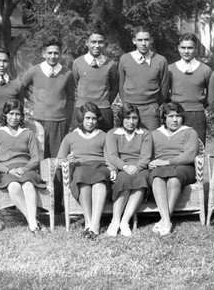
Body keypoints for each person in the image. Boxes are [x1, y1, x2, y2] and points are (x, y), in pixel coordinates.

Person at [21, 38, 75, 214]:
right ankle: (38, 200)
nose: (53, 56)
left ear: (60, 54)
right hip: (39, 122)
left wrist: (66, 117)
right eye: (49, 53)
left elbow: (71, 98)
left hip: (59, 121)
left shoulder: (66, 73)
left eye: (56, 53)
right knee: (40, 159)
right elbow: (21, 89)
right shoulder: (34, 71)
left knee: (58, 160)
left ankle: (57, 202)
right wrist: (35, 100)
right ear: (43, 54)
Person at [0, 99, 47, 235]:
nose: (14, 118)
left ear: (22, 116)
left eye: (18, 114)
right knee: (14, 186)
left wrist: (26, 168)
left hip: (26, 169)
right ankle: (34, 222)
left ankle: (32, 224)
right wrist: (8, 170)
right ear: (5, 115)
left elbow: (35, 157)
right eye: (11, 114)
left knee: (28, 186)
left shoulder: (28, 133)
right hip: (7, 171)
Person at [57, 102, 110, 238]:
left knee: (99, 180)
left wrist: (113, 169)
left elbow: (109, 157)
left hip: (99, 167)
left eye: (93, 118)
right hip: (80, 168)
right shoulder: (70, 137)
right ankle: (88, 221)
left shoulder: (103, 136)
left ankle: (95, 223)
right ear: (81, 119)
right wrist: (68, 160)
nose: (91, 122)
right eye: (87, 118)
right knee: (81, 177)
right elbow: (59, 160)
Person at [148, 102, 199, 236]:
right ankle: (166, 220)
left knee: (173, 180)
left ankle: (164, 219)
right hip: (160, 167)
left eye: (178, 116)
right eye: (170, 116)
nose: (175, 120)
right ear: (164, 118)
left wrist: (167, 162)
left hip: (184, 167)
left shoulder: (189, 132)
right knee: (157, 178)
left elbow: (189, 155)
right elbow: (148, 155)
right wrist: (150, 164)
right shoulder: (155, 134)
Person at [105, 103, 152, 237]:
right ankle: (115, 221)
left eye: (134, 118)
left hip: (139, 167)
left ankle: (125, 222)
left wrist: (136, 168)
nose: (131, 122)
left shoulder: (145, 134)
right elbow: (112, 156)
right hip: (123, 168)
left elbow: (146, 156)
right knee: (125, 179)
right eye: (127, 118)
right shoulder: (112, 133)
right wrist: (125, 167)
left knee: (141, 179)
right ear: (121, 118)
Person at [118, 26, 169, 132]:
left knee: (151, 142)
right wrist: (127, 105)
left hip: (150, 111)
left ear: (151, 40)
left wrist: (152, 106)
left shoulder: (160, 60)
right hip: (130, 109)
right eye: (140, 40)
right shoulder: (125, 59)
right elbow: (121, 85)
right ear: (134, 41)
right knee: (129, 143)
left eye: (146, 39)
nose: (143, 43)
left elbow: (164, 90)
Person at [168, 33, 212, 145]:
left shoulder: (205, 70)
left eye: (190, 48)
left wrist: (197, 105)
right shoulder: (170, 69)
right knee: (175, 147)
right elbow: (164, 92)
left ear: (196, 49)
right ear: (178, 48)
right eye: (183, 47)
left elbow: (211, 95)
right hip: (175, 114)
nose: (186, 51)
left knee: (197, 147)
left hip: (196, 115)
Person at [71, 31, 118, 132]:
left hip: (103, 110)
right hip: (81, 109)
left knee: (104, 143)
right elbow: (74, 85)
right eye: (93, 42)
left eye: (100, 42)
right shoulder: (77, 62)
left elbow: (114, 87)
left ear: (104, 44)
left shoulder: (111, 64)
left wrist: (104, 102)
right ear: (87, 43)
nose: (97, 45)